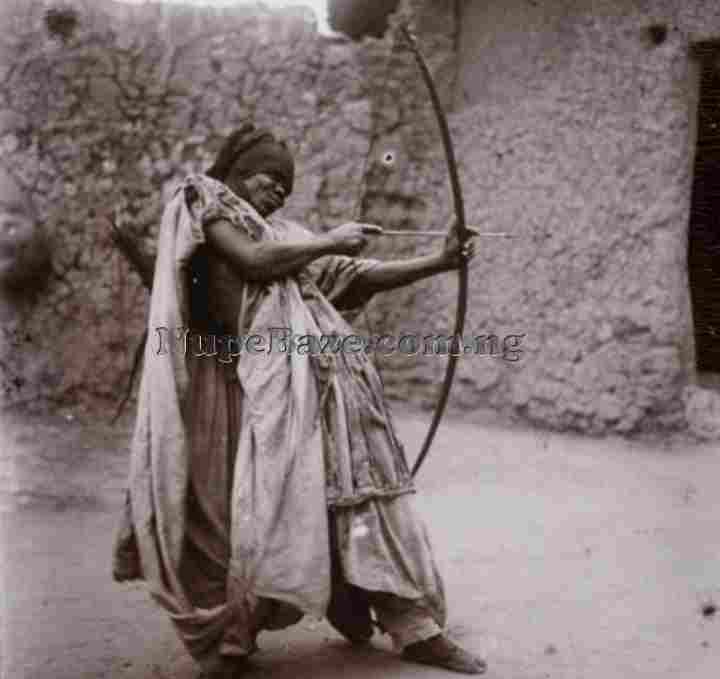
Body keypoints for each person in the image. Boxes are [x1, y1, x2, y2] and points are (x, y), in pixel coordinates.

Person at [113, 124, 485, 677]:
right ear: (238, 174)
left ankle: (406, 620)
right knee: (233, 521)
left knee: (350, 495)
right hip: (227, 385)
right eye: (272, 180)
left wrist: (439, 260)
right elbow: (253, 261)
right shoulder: (205, 200)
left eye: (288, 185)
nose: (281, 191)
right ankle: (232, 639)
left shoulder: (283, 233)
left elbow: (357, 277)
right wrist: (330, 238)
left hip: (304, 386)